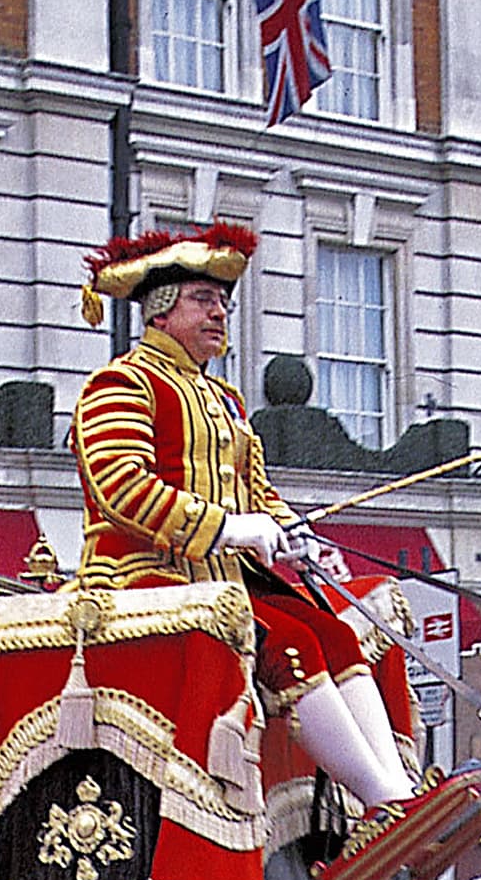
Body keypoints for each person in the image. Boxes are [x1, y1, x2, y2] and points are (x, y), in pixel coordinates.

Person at [71, 222, 436, 832]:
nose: (220, 313)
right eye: (203, 300)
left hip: (223, 579)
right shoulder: (121, 382)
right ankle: (383, 802)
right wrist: (229, 530)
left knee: (335, 635)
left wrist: (291, 530)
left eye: (223, 303)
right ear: (160, 310)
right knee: (290, 646)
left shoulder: (226, 401)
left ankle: (396, 791)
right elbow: (121, 489)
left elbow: (256, 492)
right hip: (146, 578)